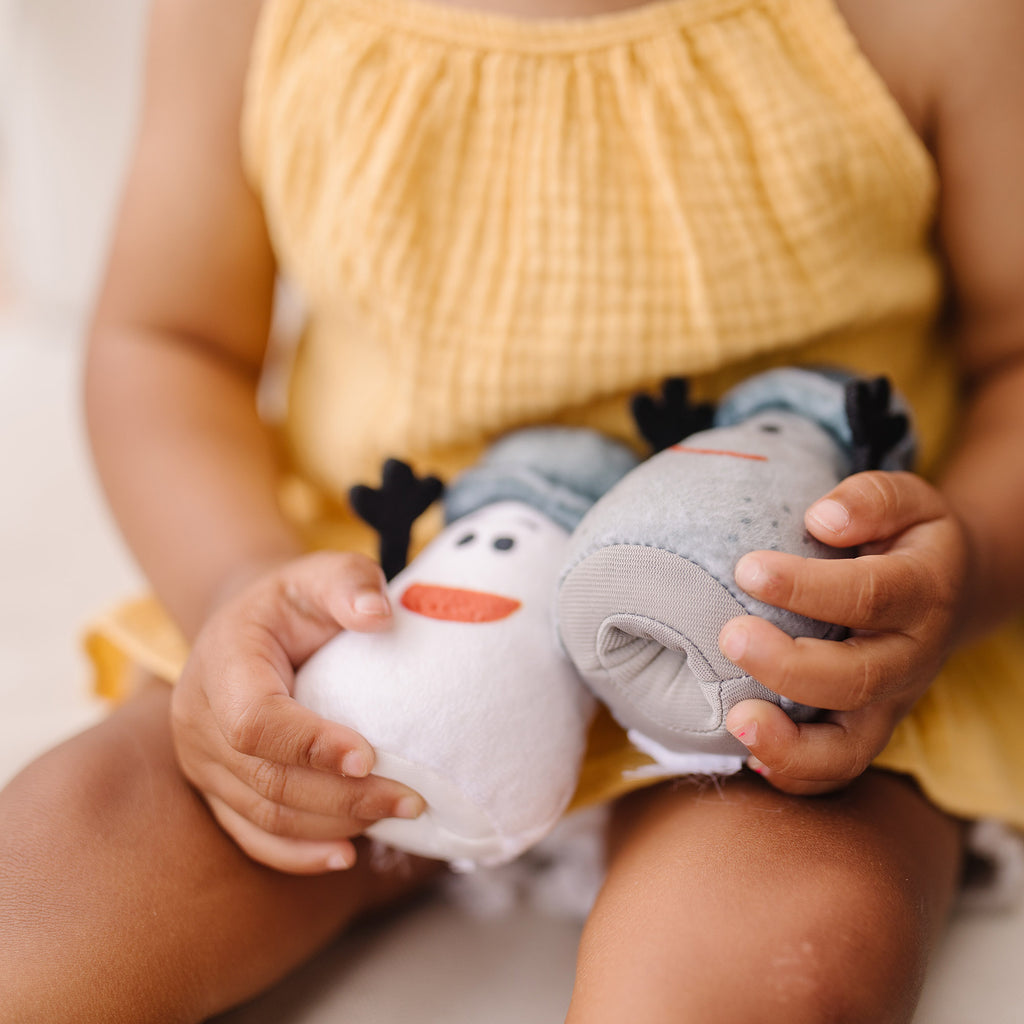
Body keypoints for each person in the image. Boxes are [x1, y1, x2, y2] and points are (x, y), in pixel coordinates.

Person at [3, 0, 1024, 1019]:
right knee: (58, 869)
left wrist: (961, 562)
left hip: (784, 661)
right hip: (381, 598)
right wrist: (235, 578)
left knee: (778, 959)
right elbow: (168, 340)